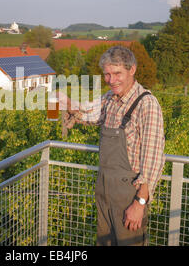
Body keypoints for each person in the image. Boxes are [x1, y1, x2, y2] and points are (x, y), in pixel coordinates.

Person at [59, 45, 165, 246]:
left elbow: (153, 159)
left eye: (117, 73)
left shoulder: (146, 104)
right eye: (107, 74)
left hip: (129, 194)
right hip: (104, 188)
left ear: (131, 70)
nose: (111, 80)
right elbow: (89, 114)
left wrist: (139, 203)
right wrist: (70, 106)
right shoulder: (110, 99)